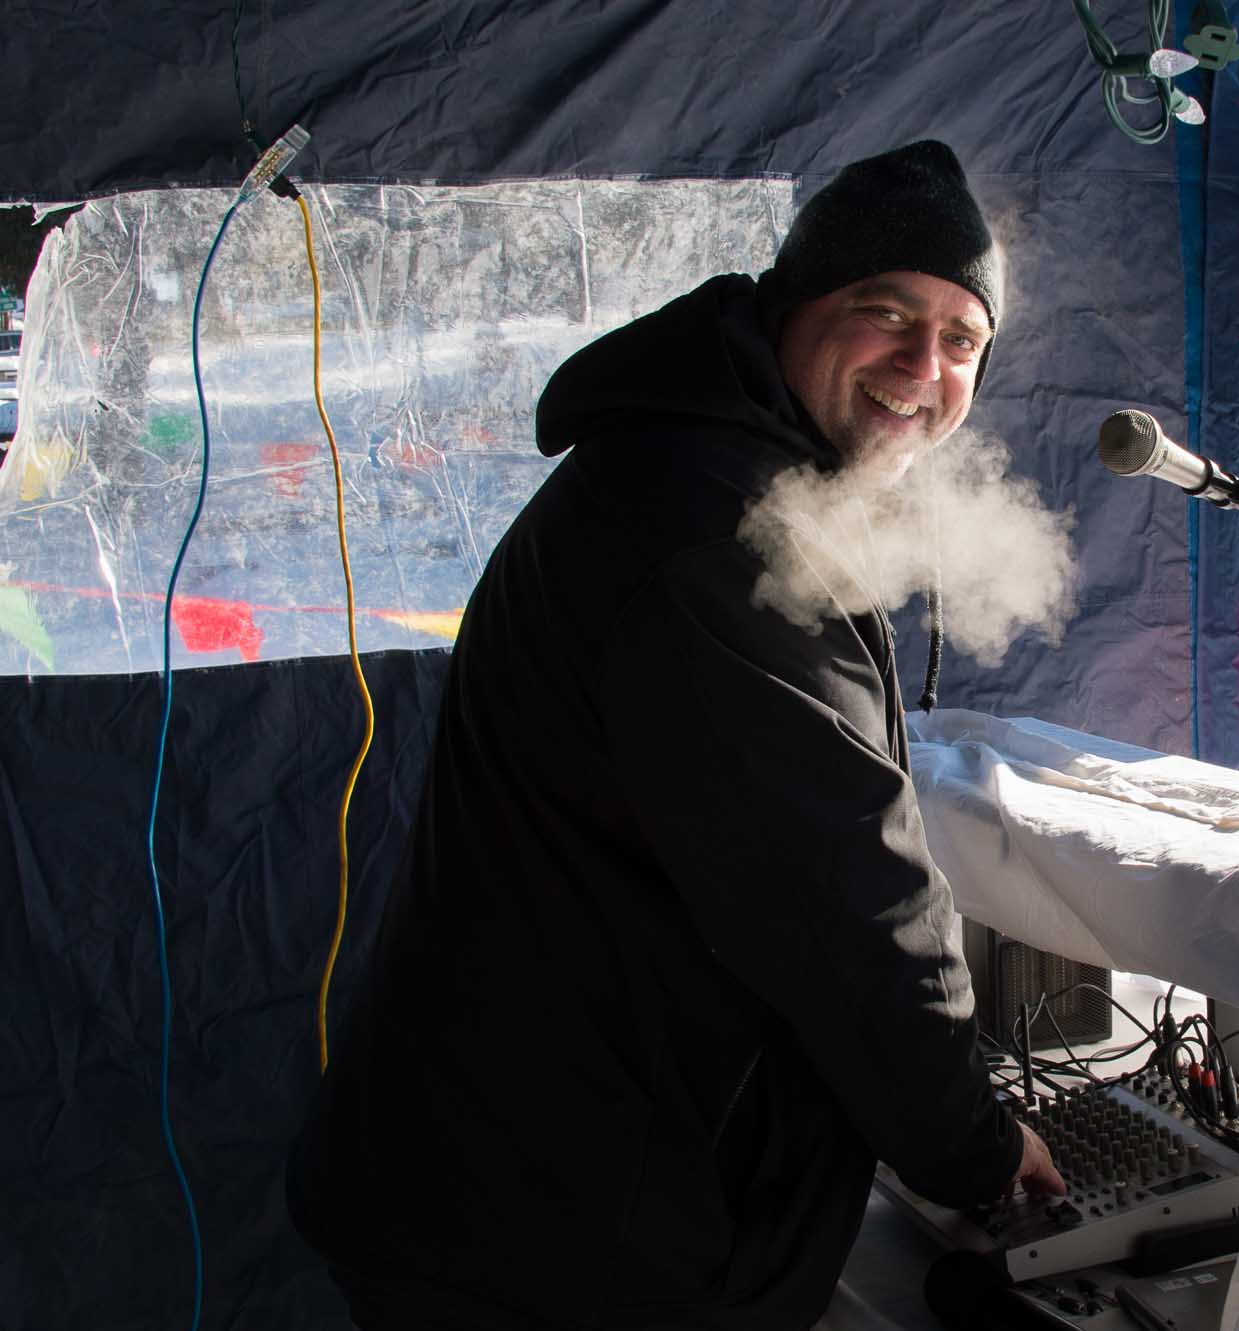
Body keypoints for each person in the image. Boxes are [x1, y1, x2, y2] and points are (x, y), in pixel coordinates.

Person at [289, 140, 1064, 1331]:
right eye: (886, 313)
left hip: (515, 1176)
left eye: (961, 341)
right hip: (555, 1230)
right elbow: (847, 901)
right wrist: (971, 1147)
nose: (924, 365)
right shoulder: (721, 533)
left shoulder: (694, 462)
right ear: (794, 306)